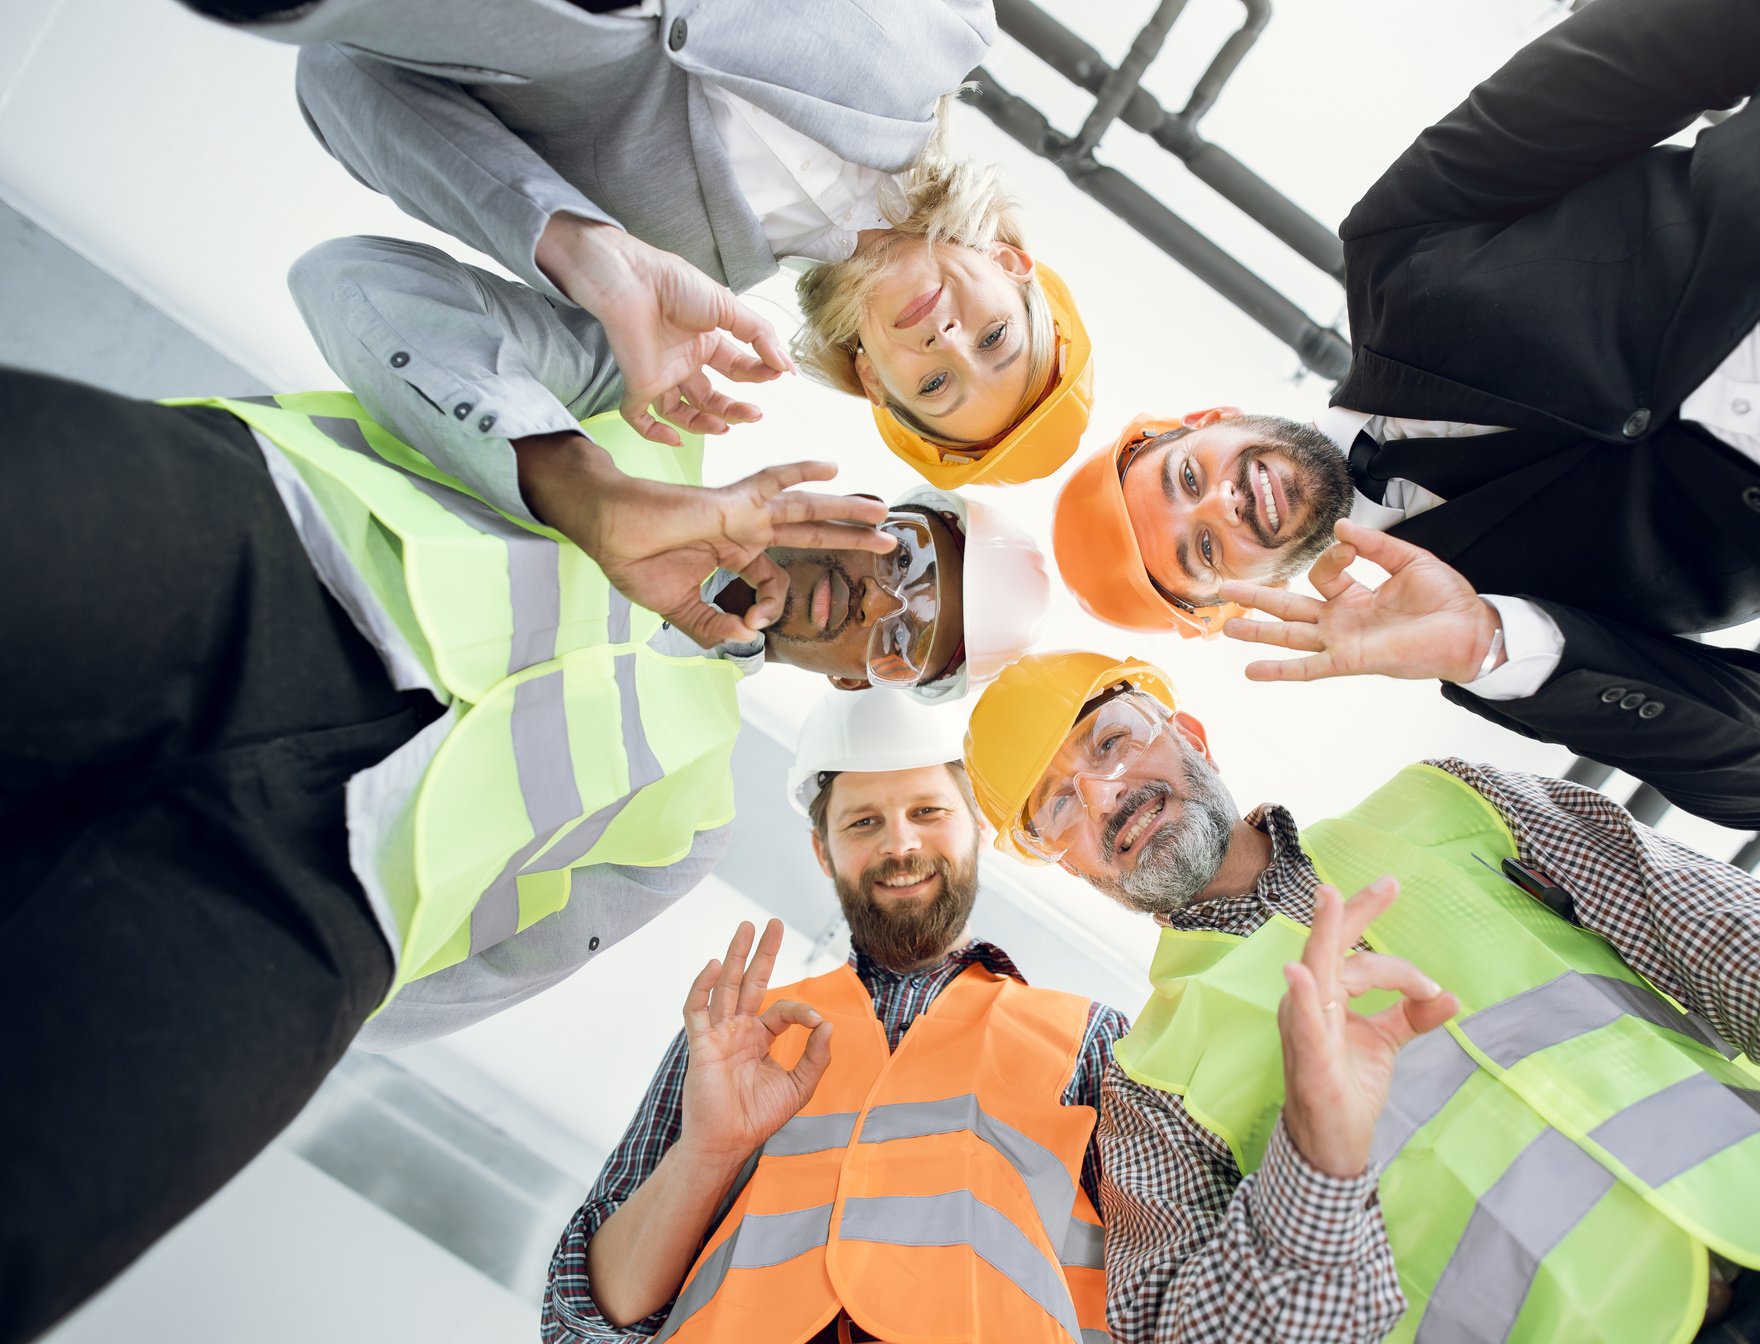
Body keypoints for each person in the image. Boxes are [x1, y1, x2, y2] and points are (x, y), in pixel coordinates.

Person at [0, 361, 1040, 1343]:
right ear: (872, 507)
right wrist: (585, 484)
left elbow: (470, 983)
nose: (877, 602)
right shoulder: (659, 409)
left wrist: (328, 972)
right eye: (903, 559)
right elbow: (351, 283)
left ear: (867, 683)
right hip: (273, 556)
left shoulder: (691, 823)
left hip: (312, 907)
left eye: (908, 637)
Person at [1052, 0, 1760, 830]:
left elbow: (1664, 44)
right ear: (1233, 606)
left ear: (1208, 419)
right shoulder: (1478, 641)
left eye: (1187, 477)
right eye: (1204, 552)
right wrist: (1490, 645)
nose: (1226, 502)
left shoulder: (1397, 243)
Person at [959, 650, 1760, 1343]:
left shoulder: (1449, 804)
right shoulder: (1147, 1087)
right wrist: (1315, 1163)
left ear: (1190, 732)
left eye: (1112, 741)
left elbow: (1759, 956)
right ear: (1070, 866)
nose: (1107, 795)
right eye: (1058, 808)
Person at [184, 0, 1096, 487]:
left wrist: (576, 244)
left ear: (873, 380)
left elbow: (341, 78)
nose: (948, 346)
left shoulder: (661, 271)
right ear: (1012, 268)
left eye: (935, 385)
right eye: (994, 342)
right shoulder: (948, 22)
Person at [542, 689, 1128, 1342]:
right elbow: (577, 1329)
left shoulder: (1091, 1042)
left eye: (928, 810)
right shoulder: (740, 1037)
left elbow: (1165, 1294)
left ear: (976, 826)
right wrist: (708, 1153)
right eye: (863, 823)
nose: (900, 843)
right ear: (824, 852)